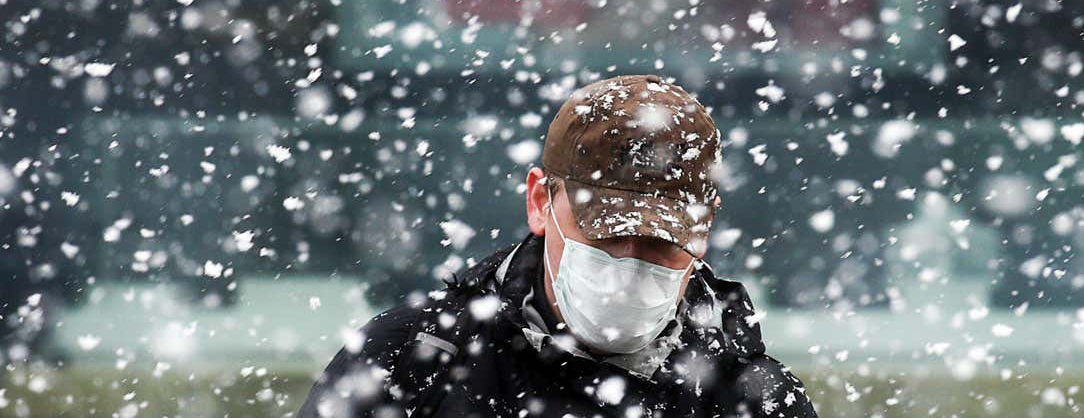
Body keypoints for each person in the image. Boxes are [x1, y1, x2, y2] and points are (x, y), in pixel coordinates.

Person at [296, 74, 819, 417]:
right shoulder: (412, 364)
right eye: (608, 231)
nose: (630, 263)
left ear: (702, 235)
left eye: (662, 242)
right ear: (540, 201)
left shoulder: (751, 401)